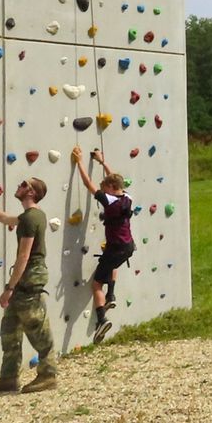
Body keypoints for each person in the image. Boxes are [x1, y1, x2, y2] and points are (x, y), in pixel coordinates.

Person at [0, 178, 58, 393]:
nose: (18, 185)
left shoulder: (30, 219)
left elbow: (24, 255)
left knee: (38, 330)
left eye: (22, 183)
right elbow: (5, 218)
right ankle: (9, 378)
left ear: (30, 191)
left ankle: (48, 376)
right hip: (25, 279)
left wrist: (9, 288)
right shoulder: (32, 215)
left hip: (28, 278)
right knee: (10, 330)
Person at [71, 146, 136, 343]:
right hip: (128, 246)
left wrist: (79, 162)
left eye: (105, 186)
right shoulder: (126, 197)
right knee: (113, 264)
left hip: (115, 246)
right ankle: (112, 296)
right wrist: (101, 161)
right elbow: (114, 178)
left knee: (96, 283)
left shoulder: (108, 200)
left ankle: (101, 320)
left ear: (109, 187)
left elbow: (88, 183)